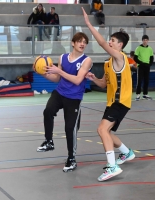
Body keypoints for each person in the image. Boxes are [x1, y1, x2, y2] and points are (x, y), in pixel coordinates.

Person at [82, 8, 135, 182]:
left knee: (101, 129)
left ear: (120, 45)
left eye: (112, 41)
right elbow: (104, 84)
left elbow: (102, 44)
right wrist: (93, 78)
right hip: (112, 102)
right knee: (107, 132)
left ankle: (112, 166)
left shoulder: (120, 57)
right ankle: (127, 153)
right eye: (110, 40)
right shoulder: (108, 64)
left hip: (121, 102)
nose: (109, 43)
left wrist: (89, 24)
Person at [35, 32, 92, 173]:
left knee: (70, 128)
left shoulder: (87, 60)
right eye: (79, 41)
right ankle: (49, 141)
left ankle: (71, 159)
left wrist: (59, 72)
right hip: (60, 93)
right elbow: (56, 78)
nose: (82, 43)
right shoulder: (63, 57)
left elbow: (78, 80)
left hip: (74, 98)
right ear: (73, 43)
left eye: (84, 42)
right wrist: (42, 72)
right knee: (47, 111)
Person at [134, 35, 154, 100]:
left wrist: (149, 64)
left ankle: (145, 94)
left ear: (148, 41)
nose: (145, 41)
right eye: (144, 40)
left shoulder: (150, 49)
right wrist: (141, 63)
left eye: (146, 40)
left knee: (146, 80)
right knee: (139, 80)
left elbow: (151, 58)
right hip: (141, 66)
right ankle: (138, 94)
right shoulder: (138, 48)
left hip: (147, 66)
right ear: (142, 41)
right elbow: (135, 58)